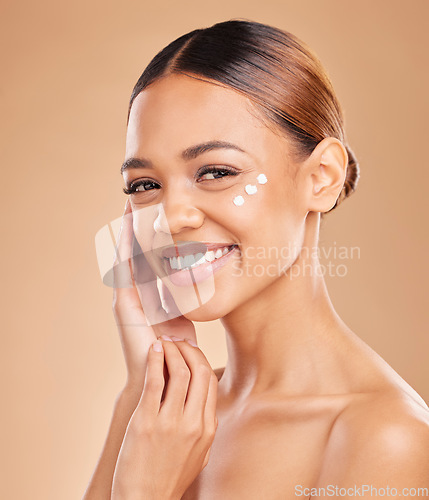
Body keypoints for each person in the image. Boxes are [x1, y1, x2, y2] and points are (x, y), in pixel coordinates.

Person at [83, 20, 429, 500]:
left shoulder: (386, 440)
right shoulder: (161, 421)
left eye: (217, 172)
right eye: (146, 184)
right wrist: (141, 390)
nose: (172, 216)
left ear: (322, 177)